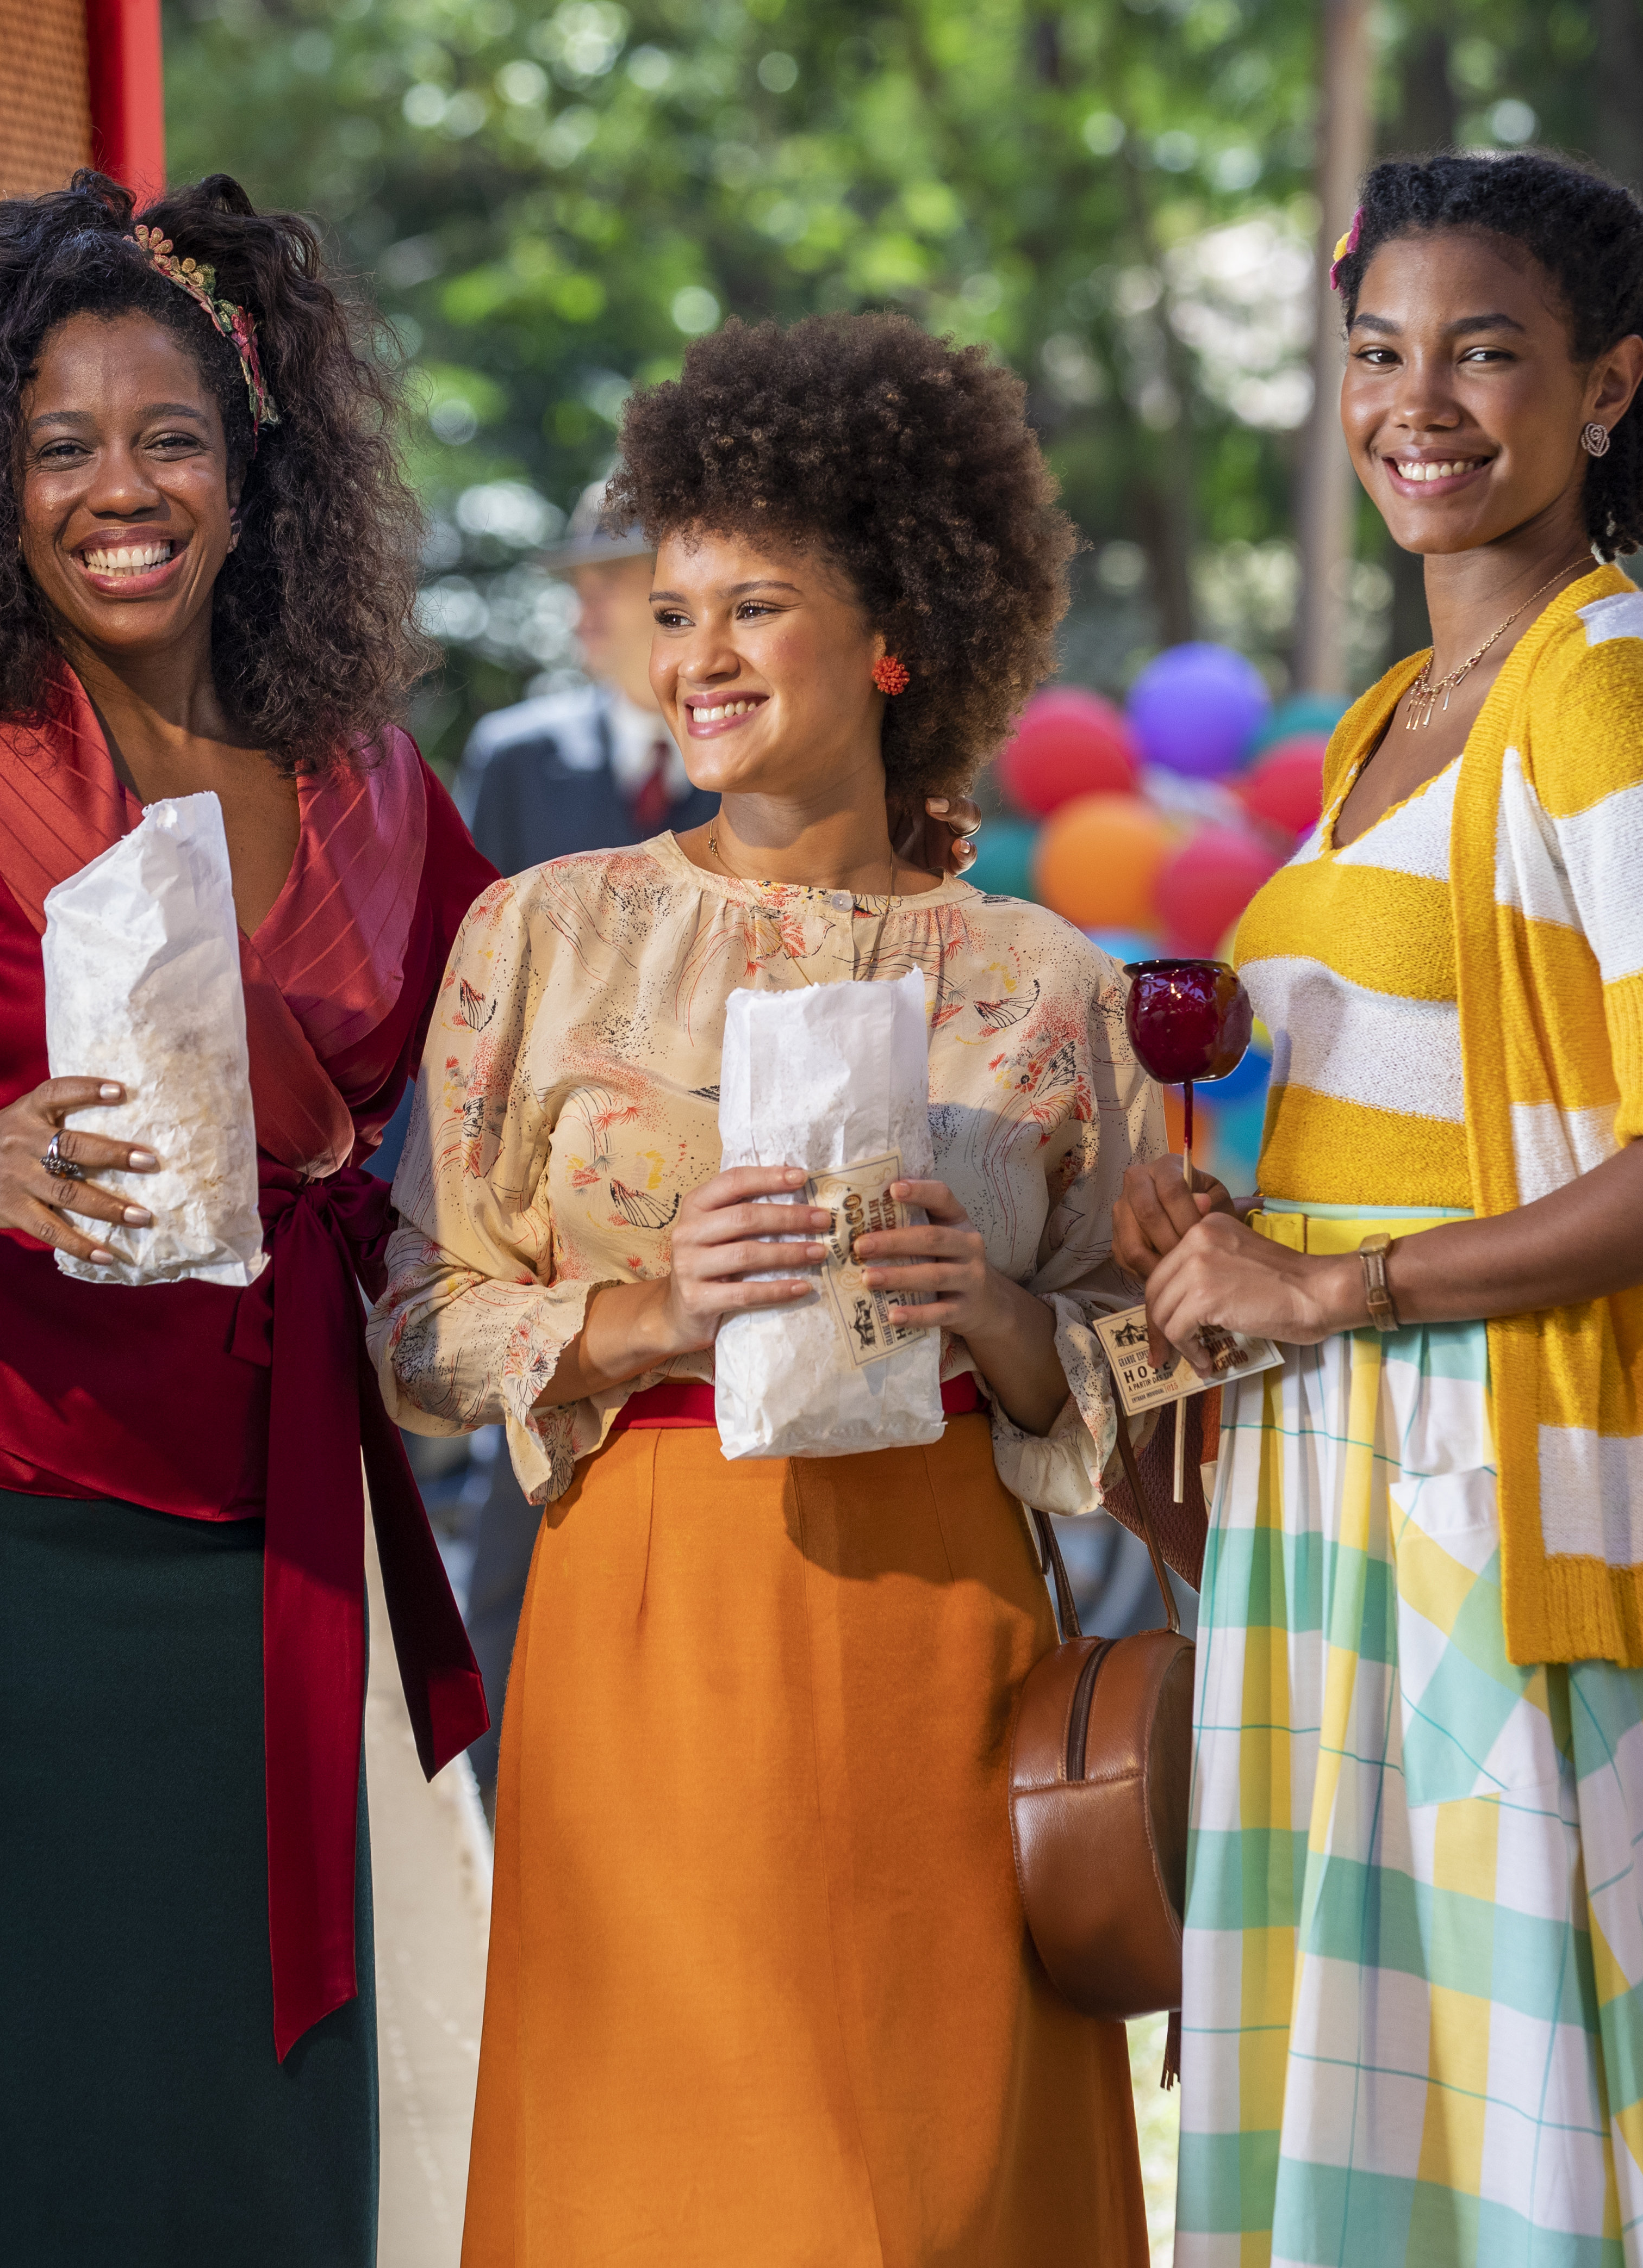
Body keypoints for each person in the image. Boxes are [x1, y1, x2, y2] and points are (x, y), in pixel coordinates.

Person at [0, 172, 487, 2264]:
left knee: (228, 2138)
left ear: (254, 472)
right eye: (61, 446)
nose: (118, 491)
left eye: (168, 440)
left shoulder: (376, 786)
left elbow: (517, 1057)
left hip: (263, 1547)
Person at [1121, 153, 1643, 2265]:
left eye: (1482, 350)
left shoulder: (1604, 684)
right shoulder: (1398, 707)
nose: (1414, 401)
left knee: (1520, 2103)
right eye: (1377, 352)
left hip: (1498, 1496)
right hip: (1345, 1468)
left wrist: (1331, 1281)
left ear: (1606, 381)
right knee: (1398, 2082)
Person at [372, 312, 1153, 2265]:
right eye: (671, 608)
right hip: (648, 1648)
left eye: (754, 606)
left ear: (895, 632)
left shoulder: (1044, 986)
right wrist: (645, 1317)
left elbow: (1147, 1370)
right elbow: (410, 1332)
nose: (694, 655)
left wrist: (992, 1314)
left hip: (945, 1663)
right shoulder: (541, 937)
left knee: (926, 2188)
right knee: (673, 2192)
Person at [440, 476, 719, 1795]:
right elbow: (466, 998)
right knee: (518, 1537)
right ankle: (514, 1803)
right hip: (555, 1222)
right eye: (583, 580)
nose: (585, 604)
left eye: (614, 576)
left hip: (720, 1206)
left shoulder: (760, 747)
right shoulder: (518, 755)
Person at [453, 476, 718, 869]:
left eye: (609, 582)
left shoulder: (755, 755)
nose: (583, 613)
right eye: (579, 587)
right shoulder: (514, 759)